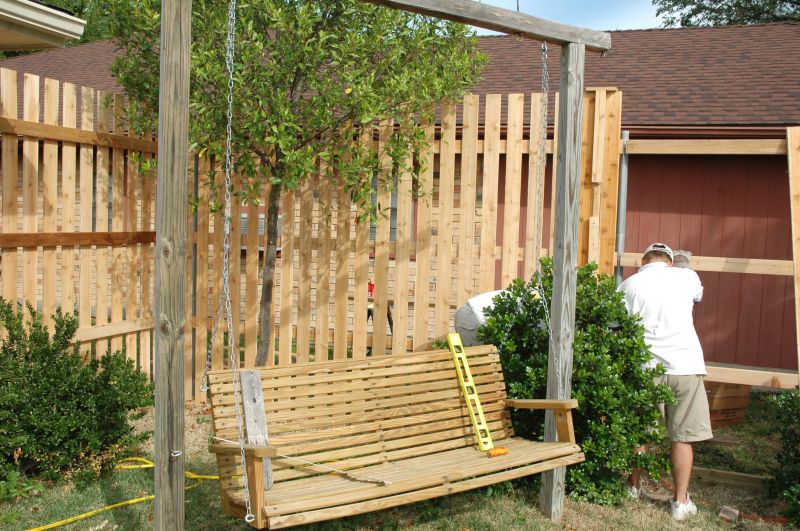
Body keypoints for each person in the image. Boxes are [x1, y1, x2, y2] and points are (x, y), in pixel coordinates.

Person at [618, 242, 712, 521]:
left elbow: (616, 324)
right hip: (685, 367)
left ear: (642, 260)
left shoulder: (628, 285)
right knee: (683, 437)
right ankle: (680, 502)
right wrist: (682, 265)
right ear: (670, 262)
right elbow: (697, 296)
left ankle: (633, 486)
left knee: (642, 432)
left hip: (647, 368)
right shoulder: (686, 277)